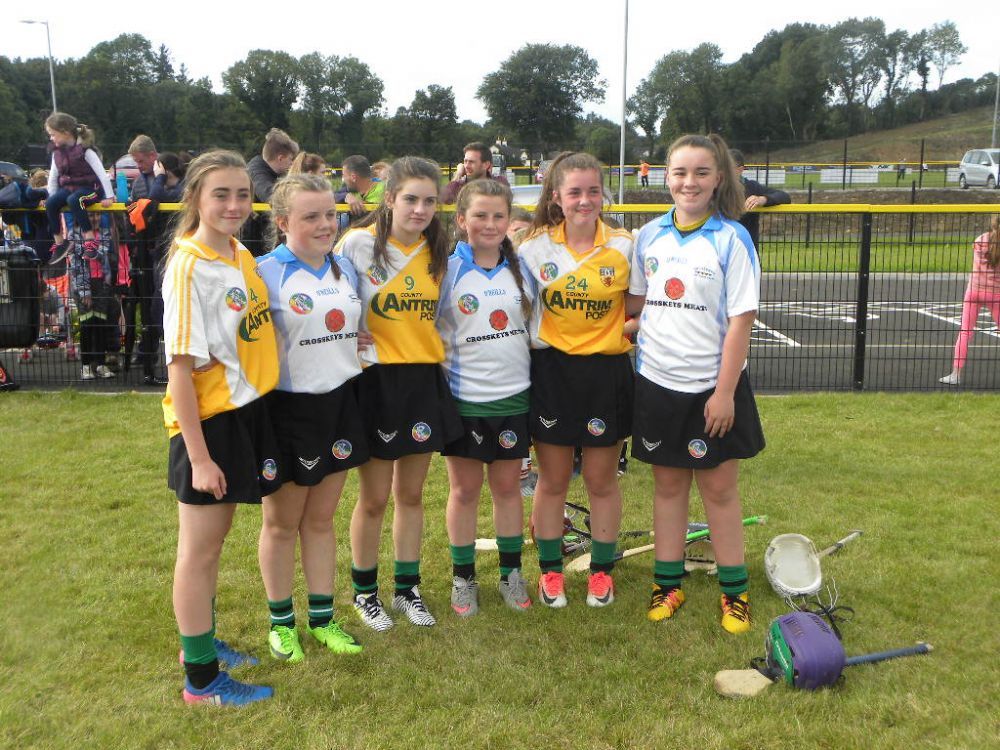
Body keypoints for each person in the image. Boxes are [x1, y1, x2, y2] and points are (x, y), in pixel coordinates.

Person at [628, 134, 765, 633]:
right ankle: (668, 584)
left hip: (712, 387)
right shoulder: (648, 236)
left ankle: (735, 593)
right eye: (680, 172)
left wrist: (724, 392)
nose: (690, 182)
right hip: (657, 382)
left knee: (719, 490)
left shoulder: (733, 238)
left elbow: (741, 320)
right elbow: (637, 306)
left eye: (701, 172)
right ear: (665, 176)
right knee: (668, 488)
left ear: (719, 179)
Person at [162, 149, 281, 706]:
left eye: (242, 194)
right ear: (194, 199)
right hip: (209, 424)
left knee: (213, 545)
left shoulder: (238, 252)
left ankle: (201, 645)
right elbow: (179, 372)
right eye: (220, 194)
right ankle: (202, 682)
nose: (235, 204)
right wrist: (201, 457)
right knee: (200, 552)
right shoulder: (189, 267)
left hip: (242, 412)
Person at [335, 157, 462, 631]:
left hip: (421, 380)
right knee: (373, 498)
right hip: (375, 380)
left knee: (411, 495)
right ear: (389, 199)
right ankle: (365, 593)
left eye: (429, 201)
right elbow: (331, 300)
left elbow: (443, 316)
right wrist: (346, 332)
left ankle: (408, 589)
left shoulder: (439, 251)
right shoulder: (357, 243)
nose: (420, 209)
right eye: (410, 199)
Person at [255, 174, 368, 662]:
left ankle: (323, 620)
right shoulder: (263, 273)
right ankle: (281, 624)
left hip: (339, 404)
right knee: (282, 523)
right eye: (311, 217)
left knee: (321, 520)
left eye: (330, 214)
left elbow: (351, 327)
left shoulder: (345, 267)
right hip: (287, 410)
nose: (326, 224)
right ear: (283, 222)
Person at [516, 152, 635, 609]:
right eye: (574, 192)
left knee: (602, 481)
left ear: (603, 194)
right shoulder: (534, 249)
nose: (585, 200)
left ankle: (601, 572)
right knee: (553, 479)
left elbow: (639, 308)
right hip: (553, 373)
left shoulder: (625, 246)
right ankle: (550, 572)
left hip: (606, 375)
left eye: (593, 191)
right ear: (556, 197)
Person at [437, 179, 534, 617]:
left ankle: (511, 573)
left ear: (509, 220)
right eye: (480, 215)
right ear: (462, 220)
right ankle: (463, 578)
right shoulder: (446, 270)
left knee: (508, 488)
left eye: (498, 216)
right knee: (464, 490)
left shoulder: (522, 268)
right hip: (464, 400)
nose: (490, 224)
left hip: (514, 398)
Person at [42, 112, 114, 265]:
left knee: (75, 200)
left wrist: (109, 196)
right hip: (70, 188)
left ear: (65, 132)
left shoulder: (86, 150)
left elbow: (102, 174)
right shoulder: (57, 154)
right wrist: (51, 197)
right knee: (51, 203)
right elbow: (53, 178)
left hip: (91, 189)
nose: (51, 138)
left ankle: (90, 239)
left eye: (53, 134)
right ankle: (60, 243)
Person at [940, 217, 1000, 385]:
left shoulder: (980, 240)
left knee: (965, 331)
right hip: (996, 294)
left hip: (974, 291)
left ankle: (956, 374)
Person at [245, 128, 299, 256]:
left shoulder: (271, 173)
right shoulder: (256, 171)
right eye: (291, 159)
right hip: (253, 240)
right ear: (280, 158)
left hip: (262, 237)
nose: (292, 163)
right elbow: (269, 194)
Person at [728, 149, 790, 251]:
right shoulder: (714, 188)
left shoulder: (752, 187)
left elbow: (784, 196)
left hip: (747, 250)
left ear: (740, 170)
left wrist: (763, 199)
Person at [440, 142, 510, 204]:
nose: (466, 166)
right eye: (465, 161)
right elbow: (445, 198)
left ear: (486, 165)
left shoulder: (499, 182)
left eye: (471, 162)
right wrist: (458, 174)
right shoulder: (460, 185)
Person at [335, 155, 385, 221]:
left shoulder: (385, 189)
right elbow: (332, 195)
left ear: (353, 177)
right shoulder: (351, 189)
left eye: (344, 175)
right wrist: (346, 196)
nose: (343, 179)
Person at [127, 135, 159, 201]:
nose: (138, 166)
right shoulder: (138, 183)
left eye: (141, 161)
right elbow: (133, 204)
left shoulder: (172, 174)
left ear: (152, 155)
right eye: (136, 162)